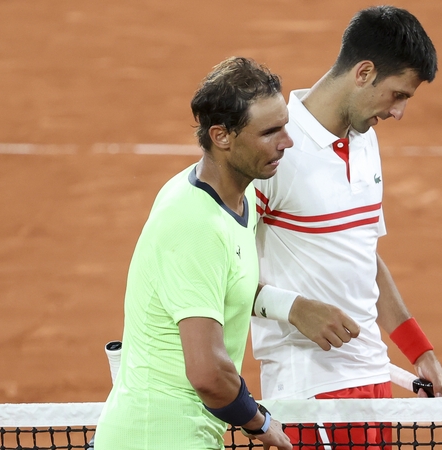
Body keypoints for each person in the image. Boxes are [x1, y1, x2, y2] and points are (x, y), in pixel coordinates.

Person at [250, 6, 442, 449]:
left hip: (372, 380)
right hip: (309, 393)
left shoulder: (366, 140)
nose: (398, 112)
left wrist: (420, 352)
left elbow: (362, 256)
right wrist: (293, 308)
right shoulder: (274, 148)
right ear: (364, 72)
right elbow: (216, 270)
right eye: (398, 95)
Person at [93, 56, 294, 450]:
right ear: (222, 136)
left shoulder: (241, 194)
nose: (286, 141)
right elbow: (207, 374)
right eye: (270, 132)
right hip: (159, 437)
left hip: (187, 434)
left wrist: (291, 307)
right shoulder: (193, 224)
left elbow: (225, 281)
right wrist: (260, 423)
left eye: (285, 126)